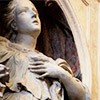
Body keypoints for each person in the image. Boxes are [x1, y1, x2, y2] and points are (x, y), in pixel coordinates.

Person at [0, 0, 90, 99]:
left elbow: (83, 97)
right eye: (24, 11)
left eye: (35, 11)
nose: (33, 14)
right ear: (14, 24)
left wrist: (61, 74)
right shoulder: (3, 49)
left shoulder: (52, 64)